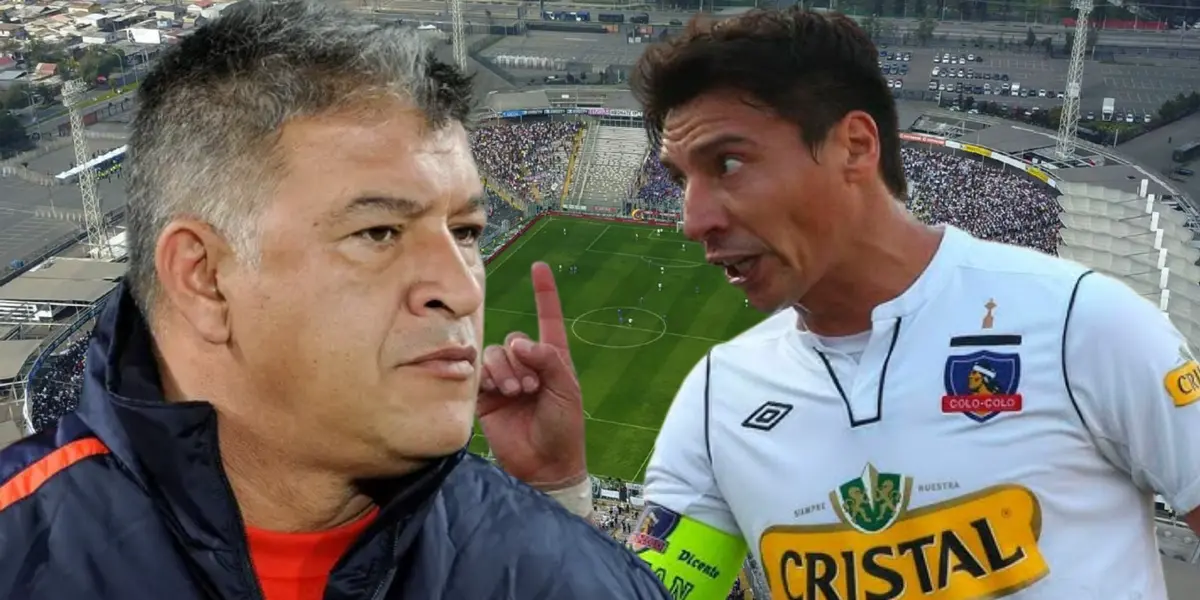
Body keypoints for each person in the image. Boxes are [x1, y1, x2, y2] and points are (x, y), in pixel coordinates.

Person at [483, 7, 1200, 600]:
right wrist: (558, 490)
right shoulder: (717, 398)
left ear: (855, 146)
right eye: (680, 179)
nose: (692, 219)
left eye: (728, 163)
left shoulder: (1083, 325)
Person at [0, 3, 669, 599]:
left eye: (465, 231)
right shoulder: (21, 550)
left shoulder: (564, 570)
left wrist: (556, 508)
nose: (463, 288)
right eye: (379, 233)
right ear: (203, 277)